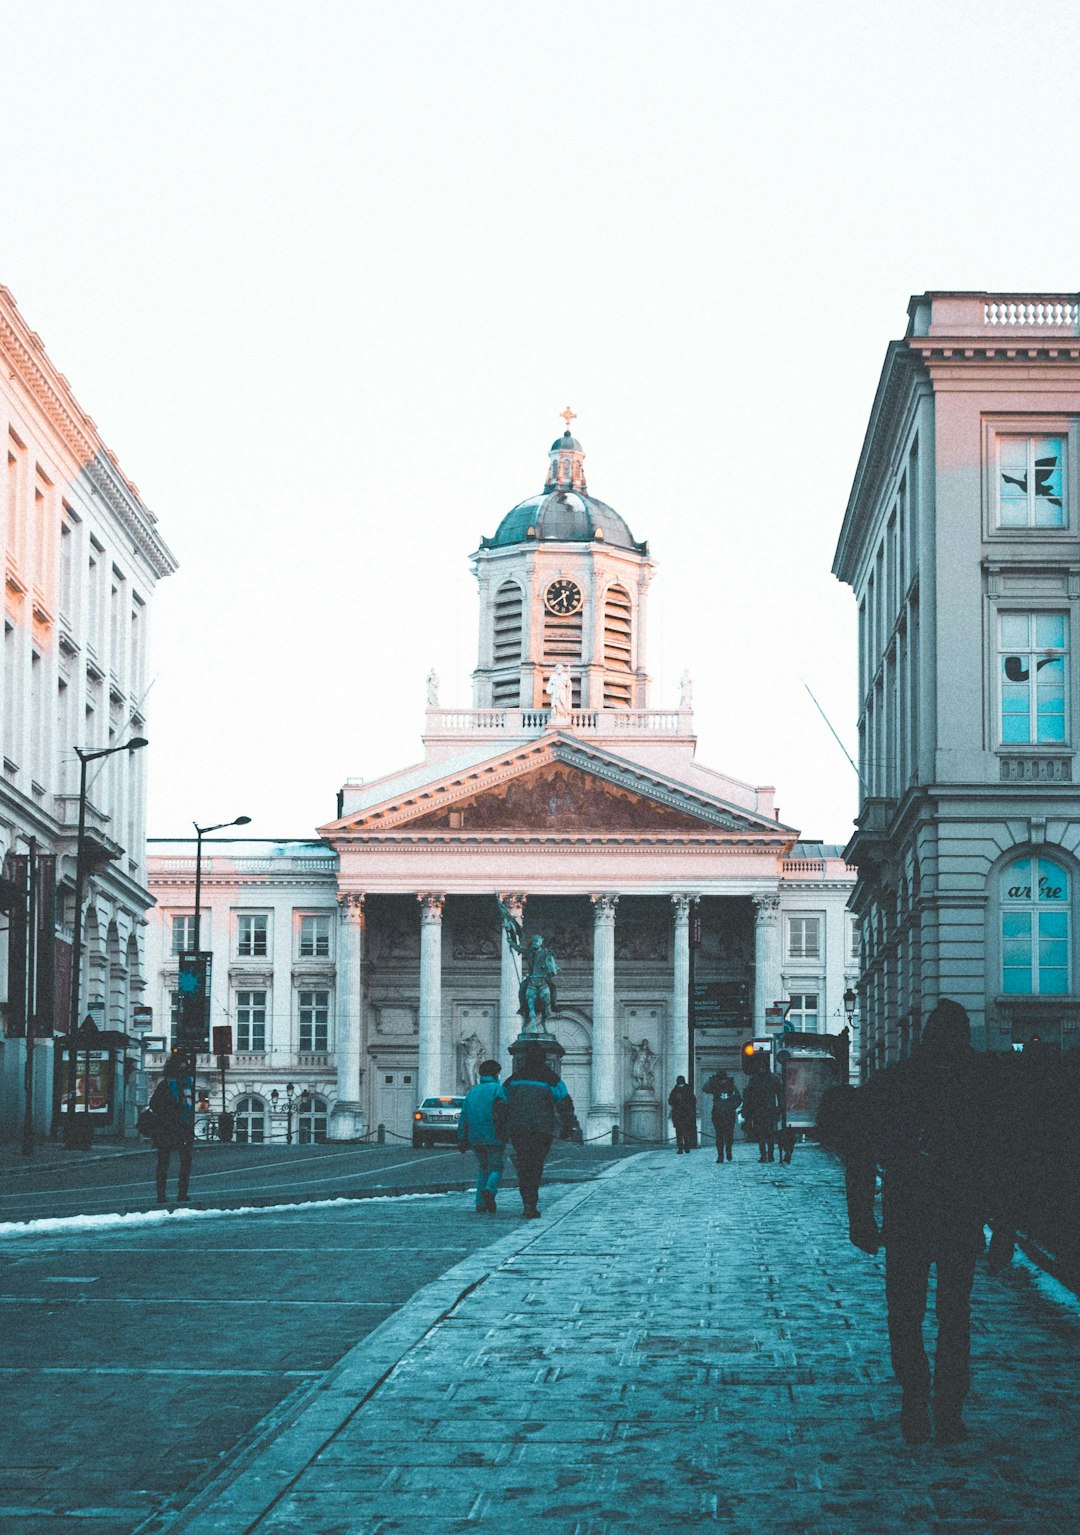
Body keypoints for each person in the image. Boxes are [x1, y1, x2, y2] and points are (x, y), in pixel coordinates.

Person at [843, 999, 1016, 1446]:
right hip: (961, 1216)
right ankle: (949, 1409)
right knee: (954, 1316)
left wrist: (861, 1216)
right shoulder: (985, 1084)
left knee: (905, 1314)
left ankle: (915, 1396)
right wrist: (1005, 1231)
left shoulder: (896, 1081)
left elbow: (861, 1152)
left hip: (908, 1215)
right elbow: (1007, 1162)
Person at [492, 1042, 575, 1218]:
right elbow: (565, 1103)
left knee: (524, 1164)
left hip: (518, 1128)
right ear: (544, 1059)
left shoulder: (513, 1079)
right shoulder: (551, 1078)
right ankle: (531, 1202)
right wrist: (568, 1126)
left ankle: (527, 1201)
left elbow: (500, 1104)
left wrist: (501, 1128)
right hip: (541, 1129)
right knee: (535, 1165)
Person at [457, 1058, 505, 1213]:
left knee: (483, 1168)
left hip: (475, 1137)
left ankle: (480, 1203)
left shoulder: (472, 1092)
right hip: (494, 1135)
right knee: (496, 1168)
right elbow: (505, 1112)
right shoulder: (498, 1090)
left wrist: (461, 1137)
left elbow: (464, 1116)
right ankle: (490, 1190)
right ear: (495, 1074)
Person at [150, 1052, 195, 1205]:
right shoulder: (169, 1085)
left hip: (180, 1128)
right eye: (183, 1063)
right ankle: (163, 1195)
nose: (185, 1066)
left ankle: (181, 1193)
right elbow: (154, 1105)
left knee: (178, 1162)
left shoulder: (186, 1084)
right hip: (169, 1128)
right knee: (166, 1162)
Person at [742, 1054, 783, 1162]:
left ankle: (770, 1154)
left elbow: (780, 1094)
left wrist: (780, 1108)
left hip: (770, 1110)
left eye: (763, 1067)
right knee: (760, 1135)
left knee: (769, 1134)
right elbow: (748, 1096)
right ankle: (763, 1155)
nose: (761, 1069)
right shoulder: (754, 1080)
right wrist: (747, 1111)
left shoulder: (773, 1079)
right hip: (758, 1111)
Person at [703, 1069, 741, 1162]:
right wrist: (711, 1080)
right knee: (719, 1135)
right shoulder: (715, 1087)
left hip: (729, 1114)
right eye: (720, 1079)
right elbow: (705, 1089)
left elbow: (739, 1099)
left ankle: (728, 1151)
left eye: (724, 1079)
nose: (722, 1081)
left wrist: (732, 1107)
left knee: (729, 1135)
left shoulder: (732, 1087)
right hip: (718, 1114)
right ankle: (720, 1155)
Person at [668, 1075, 697, 1153]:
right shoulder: (687, 1090)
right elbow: (693, 1101)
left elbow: (670, 1101)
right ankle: (684, 1147)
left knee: (680, 1132)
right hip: (683, 1114)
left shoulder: (676, 1090)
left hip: (682, 1114)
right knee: (684, 1131)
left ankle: (683, 1147)